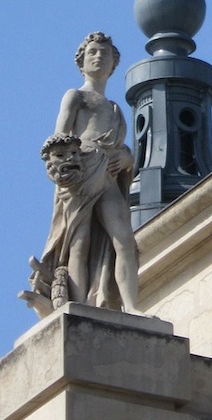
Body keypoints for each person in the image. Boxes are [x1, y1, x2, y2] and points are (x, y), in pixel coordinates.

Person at [23, 32, 139, 315]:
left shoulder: (114, 108)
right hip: (82, 168)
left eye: (105, 53)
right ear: (81, 62)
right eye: (93, 52)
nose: (99, 56)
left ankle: (131, 306)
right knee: (79, 241)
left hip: (109, 173)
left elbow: (124, 151)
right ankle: (77, 306)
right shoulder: (75, 96)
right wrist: (64, 171)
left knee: (124, 240)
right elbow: (58, 139)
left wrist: (128, 158)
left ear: (114, 64)